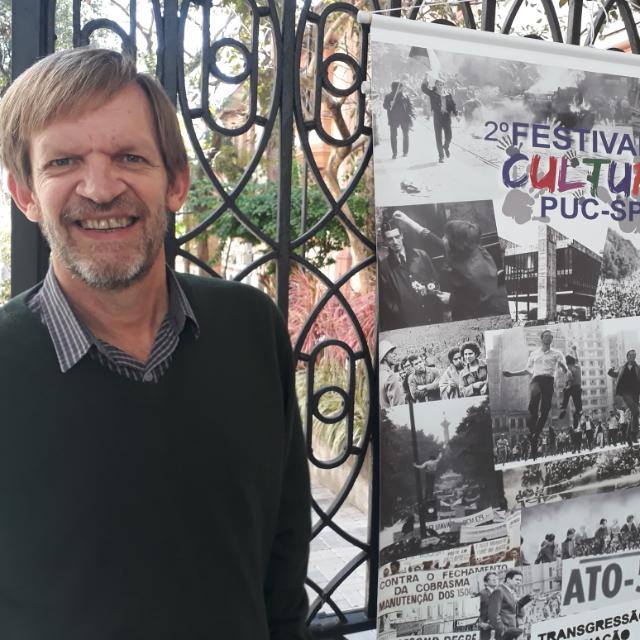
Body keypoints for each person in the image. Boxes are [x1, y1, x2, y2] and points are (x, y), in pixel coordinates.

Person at [0, 48, 311, 638]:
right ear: (25, 195)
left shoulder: (250, 329)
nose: (98, 188)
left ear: (175, 182)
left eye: (129, 157)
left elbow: (284, 550)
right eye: (64, 160)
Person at [503, 330, 567, 459]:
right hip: (536, 380)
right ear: (541, 338)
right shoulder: (534, 353)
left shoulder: (557, 353)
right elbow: (527, 370)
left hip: (549, 381)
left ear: (552, 339)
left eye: (550, 336)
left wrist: (563, 367)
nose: (548, 338)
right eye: (546, 336)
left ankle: (535, 434)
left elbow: (565, 368)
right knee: (533, 405)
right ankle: (533, 431)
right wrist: (512, 374)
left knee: (545, 410)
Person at [377, 221, 444, 330]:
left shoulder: (421, 255)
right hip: (407, 322)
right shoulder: (384, 267)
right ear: (385, 241)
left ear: (402, 235)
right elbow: (387, 300)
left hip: (431, 315)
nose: (395, 242)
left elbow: (435, 281)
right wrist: (401, 314)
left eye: (397, 236)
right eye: (390, 239)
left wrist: (429, 291)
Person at [420, 78, 458, 163]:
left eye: (442, 85)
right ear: (436, 85)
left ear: (444, 85)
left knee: (449, 136)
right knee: (438, 138)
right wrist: (426, 78)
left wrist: (456, 115)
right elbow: (424, 88)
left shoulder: (448, 94)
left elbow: (453, 105)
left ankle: (446, 147)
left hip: (447, 118)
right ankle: (441, 156)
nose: (440, 86)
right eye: (438, 85)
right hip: (437, 118)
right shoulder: (433, 94)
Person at [608, 349, 640, 445]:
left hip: (635, 393)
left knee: (635, 414)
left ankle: (628, 436)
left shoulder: (637, 368)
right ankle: (633, 434)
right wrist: (610, 371)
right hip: (626, 393)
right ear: (627, 357)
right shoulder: (622, 368)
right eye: (630, 355)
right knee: (635, 411)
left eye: (634, 355)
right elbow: (615, 374)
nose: (632, 357)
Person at [488, 570, 526, 640]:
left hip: (512, 632)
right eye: (517, 579)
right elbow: (493, 615)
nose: (519, 582)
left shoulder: (512, 592)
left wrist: (523, 602)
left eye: (520, 580)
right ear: (508, 580)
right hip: (504, 635)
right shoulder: (499, 591)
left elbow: (513, 611)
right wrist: (503, 630)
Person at [382, 81, 415, 159]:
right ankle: (394, 153)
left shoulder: (405, 96)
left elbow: (410, 106)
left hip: (404, 118)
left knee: (405, 135)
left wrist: (412, 114)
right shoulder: (388, 96)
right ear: (396, 88)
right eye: (401, 87)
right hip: (393, 119)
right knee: (393, 136)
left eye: (402, 87)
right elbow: (384, 106)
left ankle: (405, 152)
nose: (402, 89)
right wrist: (390, 104)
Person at [558, 346, 582, 428]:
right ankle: (576, 415)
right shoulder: (578, 366)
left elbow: (569, 376)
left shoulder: (568, 368)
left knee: (565, 395)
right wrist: (575, 350)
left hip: (570, 387)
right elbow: (577, 359)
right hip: (578, 388)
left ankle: (563, 409)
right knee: (579, 408)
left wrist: (560, 364)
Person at [380, 339, 406, 409]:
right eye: (391, 352)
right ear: (384, 356)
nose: (395, 355)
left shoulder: (379, 375)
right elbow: (399, 407)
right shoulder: (390, 376)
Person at [479, 571, 499, 640]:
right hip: (486, 631)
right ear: (486, 582)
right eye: (493, 578)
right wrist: (481, 623)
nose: (495, 580)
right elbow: (475, 611)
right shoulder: (482, 594)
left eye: (496, 578)